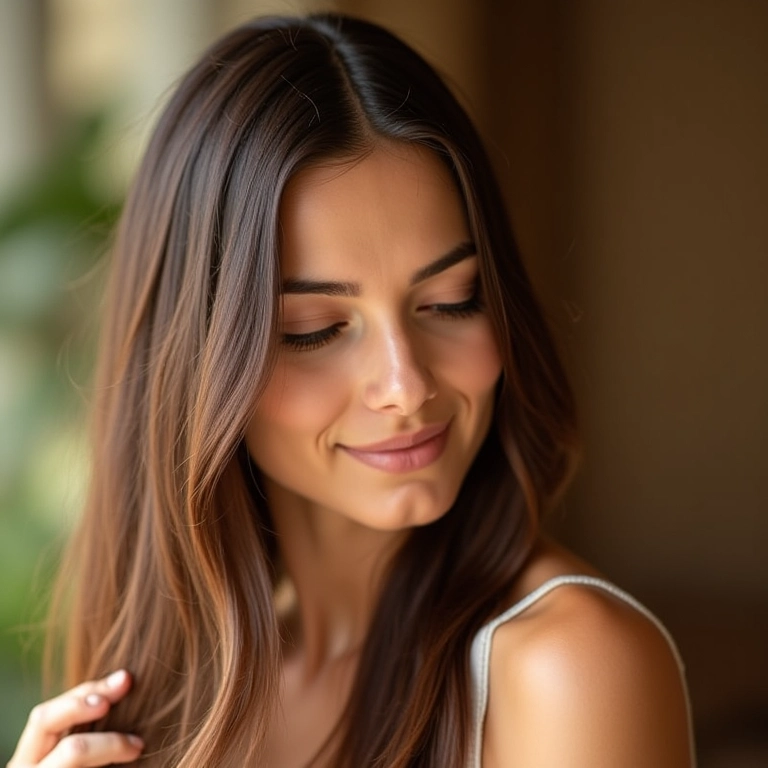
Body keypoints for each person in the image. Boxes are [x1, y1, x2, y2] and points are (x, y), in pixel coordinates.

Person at [9, 12, 695, 768]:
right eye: (312, 329)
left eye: (452, 300)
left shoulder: (567, 670)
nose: (405, 385)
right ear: (199, 363)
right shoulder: (178, 691)